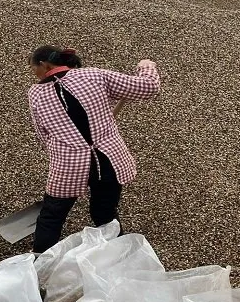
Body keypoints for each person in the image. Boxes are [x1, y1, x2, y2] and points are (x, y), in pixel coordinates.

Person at [27, 45, 161, 253]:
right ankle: (119, 258)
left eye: (33, 68)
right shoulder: (94, 75)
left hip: (68, 163)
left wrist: (66, 145)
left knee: (52, 216)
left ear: (44, 65)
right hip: (108, 158)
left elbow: (42, 135)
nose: (34, 74)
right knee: (104, 213)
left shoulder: (36, 93)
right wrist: (146, 67)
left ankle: (39, 264)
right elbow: (148, 87)